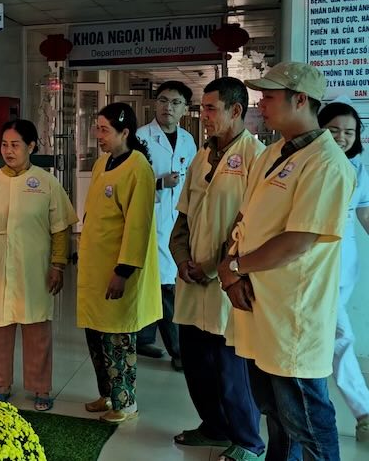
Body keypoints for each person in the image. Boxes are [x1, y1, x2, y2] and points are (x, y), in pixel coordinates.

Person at [218, 62, 354, 461]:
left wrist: (237, 268)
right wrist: (229, 269)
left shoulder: (328, 164)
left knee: (307, 420)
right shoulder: (275, 151)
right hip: (259, 302)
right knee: (275, 413)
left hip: (293, 312)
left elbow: (298, 241)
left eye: (270, 97)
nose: (261, 105)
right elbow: (247, 217)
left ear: (300, 100)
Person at [169, 78, 266, 461]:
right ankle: (211, 426)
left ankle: (248, 441)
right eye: (203, 109)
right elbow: (183, 217)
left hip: (224, 281)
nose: (203, 116)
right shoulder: (200, 155)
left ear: (235, 111)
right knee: (195, 362)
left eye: (211, 109)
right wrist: (181, 259)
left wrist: (213, 268)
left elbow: (249, 226)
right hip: (192, 280)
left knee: (231, 369)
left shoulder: (255, 158)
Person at [0, 119, 77, 412]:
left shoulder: (46, 183)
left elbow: (60, 228)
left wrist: (58, 265)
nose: (8, 151)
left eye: (15, 145)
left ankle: (41, 386)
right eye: (4, 145)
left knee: (37, 326)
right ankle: (1, 383)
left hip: (34, 266)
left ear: (31, 146)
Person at [78, 102, 161, 424]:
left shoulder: (138, 168)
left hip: (117, 270)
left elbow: (137, 225)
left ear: (124, 132)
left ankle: (125, 402)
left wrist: (122, 271)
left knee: (117, 338)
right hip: (95, 268)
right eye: (96, 128)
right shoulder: (102, 164)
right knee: (97, 336)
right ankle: (107, 393)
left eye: (104, 130)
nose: (98, 135)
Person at [136, 80, 198, 369]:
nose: (167, 107)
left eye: (175, 103)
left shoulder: (188, 139)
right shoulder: (141, 137)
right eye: (162, 101)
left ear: (185, 108)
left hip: (180, 219)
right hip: (153, 219)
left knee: (162, 282)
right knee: (165, 286)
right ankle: (179, 352)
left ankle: (144, 338)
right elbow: (131, 181)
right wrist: (161, 182)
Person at [318, 100, 369, 442]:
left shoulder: (359, 167)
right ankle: (363, 411)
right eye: (334, 130)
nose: (342, 137)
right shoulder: (312, 164)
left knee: (332, 334)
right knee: (337, 335)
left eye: (349, 132)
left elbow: (364, 213)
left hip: (343, 259)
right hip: (313, 256)